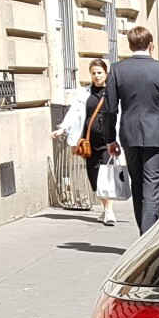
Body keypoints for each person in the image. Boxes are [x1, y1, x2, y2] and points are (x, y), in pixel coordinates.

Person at [102, 26, 159, 235]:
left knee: (138, 188)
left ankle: (144, 237)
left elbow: (110, 110)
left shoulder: (117, 70)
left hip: (129, 136)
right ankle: (147, 242)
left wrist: (110, 139)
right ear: (151, 45)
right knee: (152, 192)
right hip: (156, 136)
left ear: (129, 45)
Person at [53, 59, 118, 225]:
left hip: (108, 141)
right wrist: (62, 128)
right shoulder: (84, 93)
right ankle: (105, 209)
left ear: (106, 73)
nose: (96, 76)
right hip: (89, 142)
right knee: (95, 178)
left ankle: (109, 211)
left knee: (106, 176)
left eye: (99, 73)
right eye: (93, 73)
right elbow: (74, 113)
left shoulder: (113, 91)